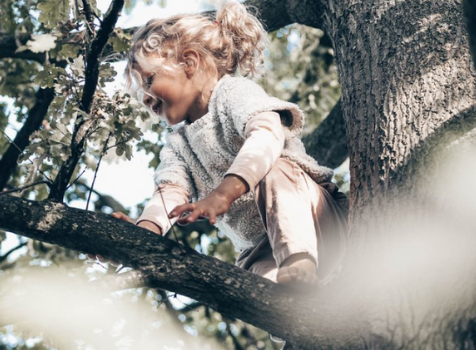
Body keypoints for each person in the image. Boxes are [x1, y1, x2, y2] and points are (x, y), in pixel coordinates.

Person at [103, 1, 348, 285]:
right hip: (261, 250)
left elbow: (267, 136)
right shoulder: (178, 144)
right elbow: (169, 193)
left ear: (189, 62)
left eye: (148, 80)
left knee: (276, 170)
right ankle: (296, 308)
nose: (145, 97)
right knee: (265, 294)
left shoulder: (232, 93)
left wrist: (222, 194)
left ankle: (299, 262)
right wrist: (137, 236)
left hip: (316, 217)